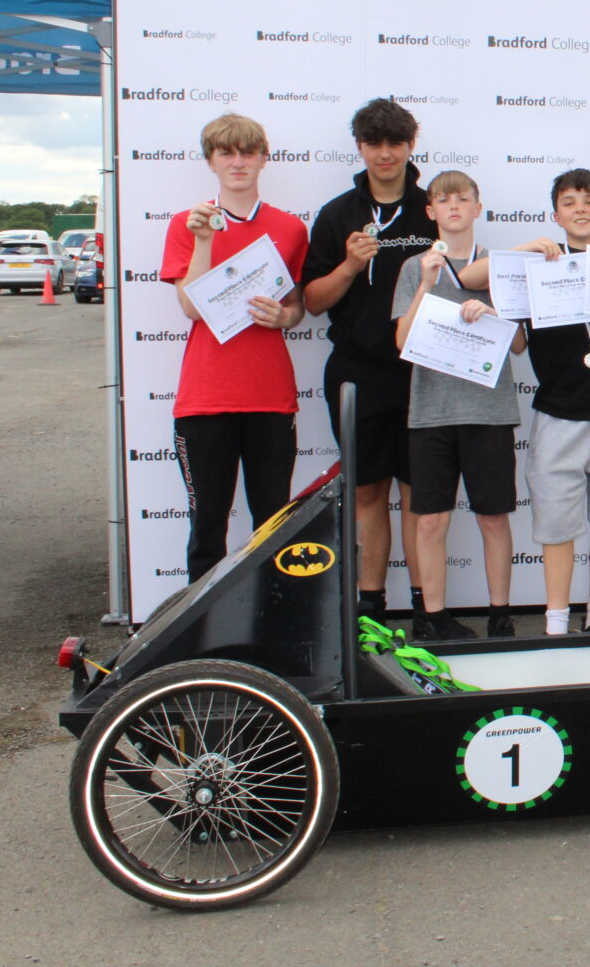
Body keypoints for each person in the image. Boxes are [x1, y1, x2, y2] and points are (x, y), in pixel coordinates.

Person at [476, 169, 590, 634]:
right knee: (556, 528)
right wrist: (522, 254)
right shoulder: (536, 267)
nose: (581, 208)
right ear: (555, 214)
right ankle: (556, 623)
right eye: (570, 201)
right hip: (558, 413)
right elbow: (478, 290)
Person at [301, 98, 437, 619]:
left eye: (395, 143)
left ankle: (428, 607)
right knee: (366, 494)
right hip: (356, 373)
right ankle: (370, 606)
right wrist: (350, 267)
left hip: (422, 372)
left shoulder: (432, 208)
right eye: (374, 143)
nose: (385, 154)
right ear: (359, 147)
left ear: (410, 146)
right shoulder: (338, 214)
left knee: (420, 497)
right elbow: (312, 301)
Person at [160, 112, 309, 583]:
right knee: (207, 527)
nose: (238, 162)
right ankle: (202, 633)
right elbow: (190, 305)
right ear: (211, 161)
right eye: (227, 152)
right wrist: (204, 238)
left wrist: (283, 317)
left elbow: (297, 307)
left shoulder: (290, 229)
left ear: (264, 159)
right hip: (205, 399)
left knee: (273, 523)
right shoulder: (188, 223)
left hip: (269, 396)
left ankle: (274, 622)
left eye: (248, 152)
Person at [390, 171, 524, 642]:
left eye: (462, 199)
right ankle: (433, 616)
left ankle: (500, 614)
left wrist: (495, 314)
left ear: (477, 207)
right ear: (430, 211)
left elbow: (522, 345)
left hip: (488, 412)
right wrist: (427, 286)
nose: (452, 207)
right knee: (430, 519)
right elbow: (402, 342)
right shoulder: (413, 267)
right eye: (442, 200)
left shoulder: (498, 265)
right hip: (431, 412)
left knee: (493, 516)